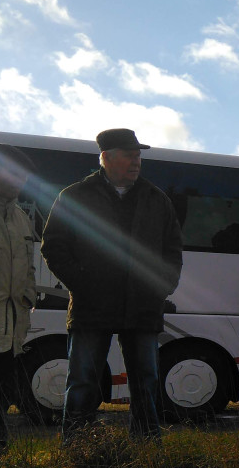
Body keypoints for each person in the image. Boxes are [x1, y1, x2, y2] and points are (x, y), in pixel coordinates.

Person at [41, 129, 182, 440]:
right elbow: (53, 247)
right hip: (92, 307)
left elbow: (172, 250)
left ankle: (146, 450)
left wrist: (161, 286)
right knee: (83, 380)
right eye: (129, 155)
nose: (136, 161)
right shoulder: (75, 196)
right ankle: (78, 447)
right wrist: (83, 284)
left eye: (138, 155)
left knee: (145, 381)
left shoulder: (156, 199)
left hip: (143, 307)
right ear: (105, 158)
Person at [0, 145, 37, 455]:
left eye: (23, 177)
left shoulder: (19, 217)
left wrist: (27, 297)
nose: (20, 183)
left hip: (7, 334)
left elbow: (28, 269)